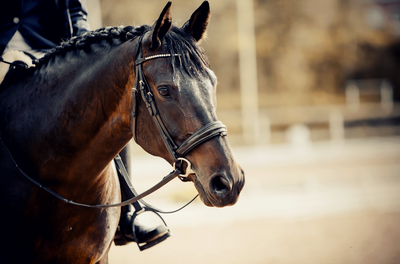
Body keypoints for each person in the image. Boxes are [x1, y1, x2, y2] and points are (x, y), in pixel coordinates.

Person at [0, 0, 169, 250]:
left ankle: (127, 210)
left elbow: (75, 9)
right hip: (2, 52)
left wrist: (86, 48)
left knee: (109, 98)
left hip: (53, 49)